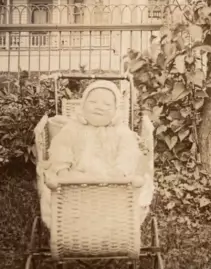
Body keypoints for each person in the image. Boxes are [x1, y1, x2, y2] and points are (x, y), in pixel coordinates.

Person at [36, 80, 153, 229]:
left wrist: (119, 172)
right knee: (55, 189)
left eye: (107, 104)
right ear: (83, 106)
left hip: (112, 179)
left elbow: (128, 153)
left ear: (116, 110)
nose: (99, 107)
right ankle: (72, 227)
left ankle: (112, 228)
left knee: (133, 188)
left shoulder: (121, 131)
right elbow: (61, 149)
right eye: (93, 102)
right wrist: (62, 170)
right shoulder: (72, 128)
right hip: (76, 179)